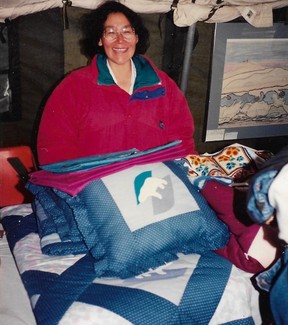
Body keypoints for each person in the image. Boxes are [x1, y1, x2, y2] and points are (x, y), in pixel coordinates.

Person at [36, 0, 196, 166]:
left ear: (136, 38)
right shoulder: (73, 87)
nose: (120, 40)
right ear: (100, 40)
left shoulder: (162, 85)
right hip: (96, 186)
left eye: (126, 32)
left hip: (154, 183)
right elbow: (54, 147)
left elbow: (182, 142)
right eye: (110, 32)